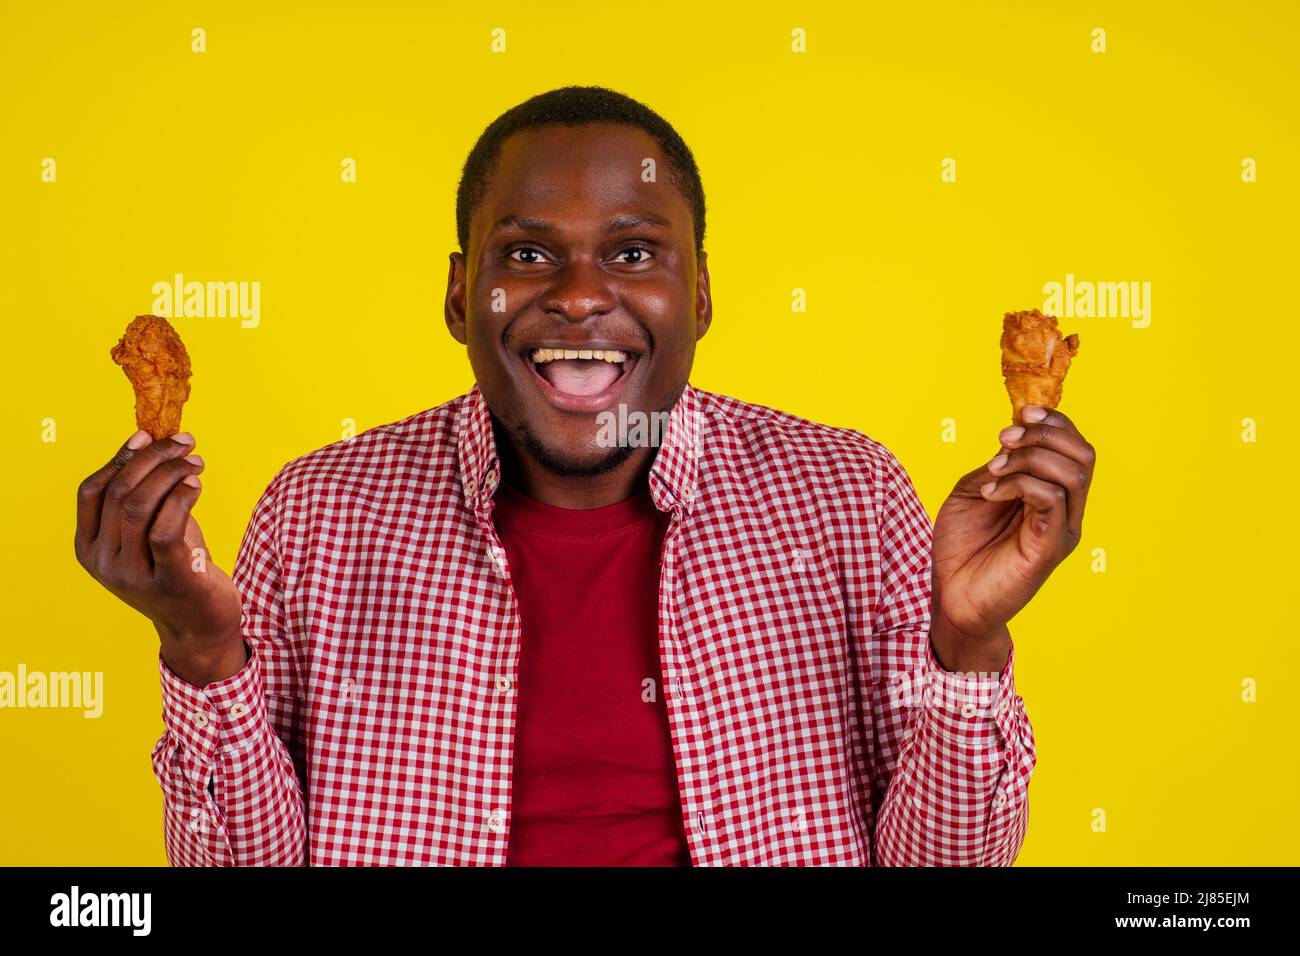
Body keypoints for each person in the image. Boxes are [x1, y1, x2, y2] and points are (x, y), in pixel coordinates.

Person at [73, 85, 1095, 866]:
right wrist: (200, 649)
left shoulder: (846, 495)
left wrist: (967, 647)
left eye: (634, 252)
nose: (577, 297)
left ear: (698, 294)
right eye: (526, 253)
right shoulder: (318, 513)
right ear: (459, 291)